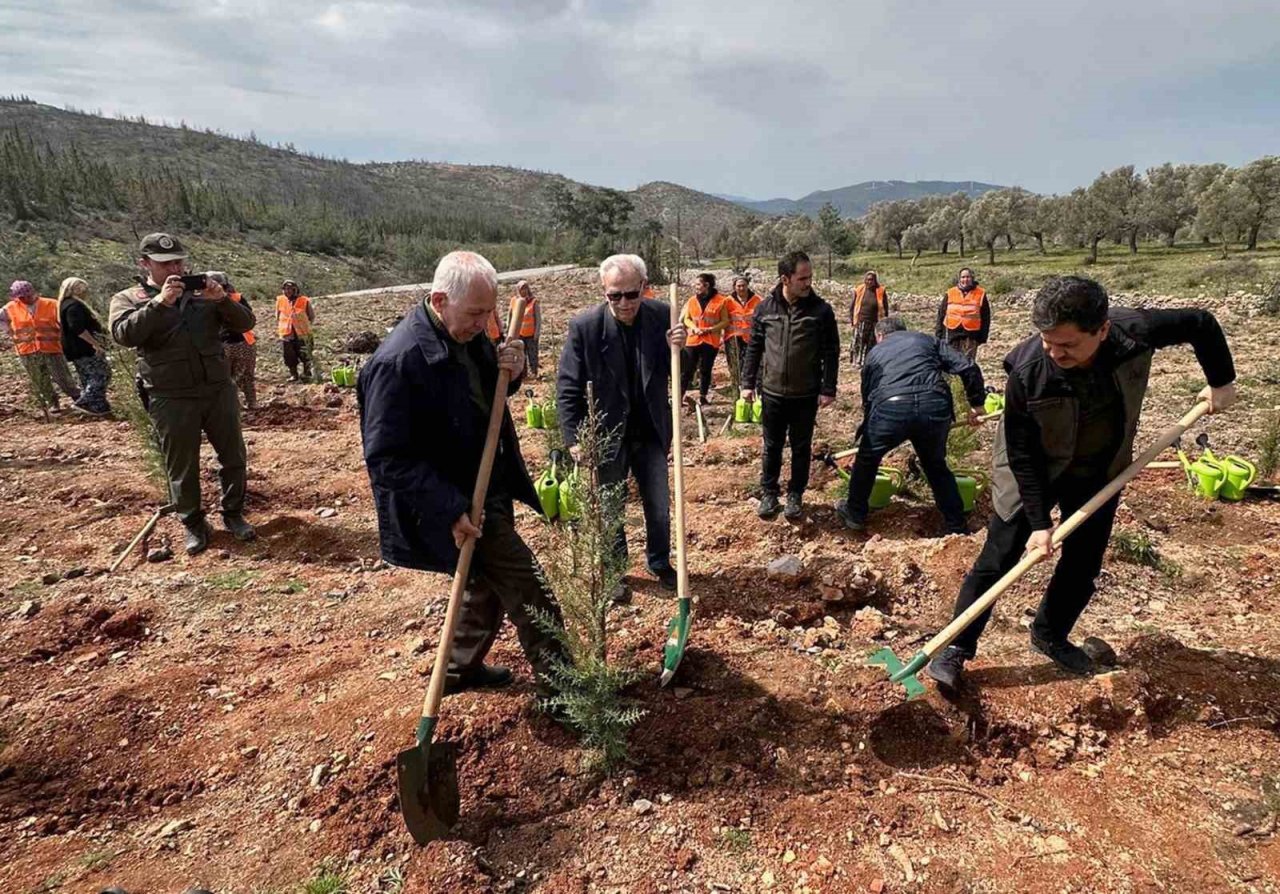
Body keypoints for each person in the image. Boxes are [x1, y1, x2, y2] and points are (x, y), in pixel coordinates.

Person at [926, 276, 1237, 691]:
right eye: (1048, 342)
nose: (1056, 353)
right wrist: (1038, 523)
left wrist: (1221, 381)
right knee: (999, 556)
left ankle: (1050, 634)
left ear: (1102, 329)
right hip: (1031, 465)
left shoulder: (1135, 332)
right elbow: (1021, 452)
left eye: (1068, 345)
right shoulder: (1028, 371)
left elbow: (1200, 322)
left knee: (1084, 560)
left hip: (1100, 466)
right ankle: (955, 647)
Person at [358, 250, 566, 697]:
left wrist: (513, 372)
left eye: (489, 310)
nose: (484, 321)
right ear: (438, 299)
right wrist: (450, 508)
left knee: (483, 584)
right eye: (475, 312)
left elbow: (480, 400)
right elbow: (386, 457)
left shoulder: (463, 333)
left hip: (486, 482)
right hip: (454, 495)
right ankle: (565, 691)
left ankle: (457, 669)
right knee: (530, 589)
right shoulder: (397, 363)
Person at [109, 233, 257, 555]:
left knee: (233, 457)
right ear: (145, 264)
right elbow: (124, 334)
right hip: (170, 396)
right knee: (182, 465)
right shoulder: (129, 297)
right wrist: (159, 304)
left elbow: (246, 323)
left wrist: (221, 300)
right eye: (165, 263)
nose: (175, 267)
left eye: (178, 261)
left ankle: (233, 513)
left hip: (217, 390)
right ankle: (192, 522)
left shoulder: (204, 290)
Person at [557, 254, 687, 596]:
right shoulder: (585, 327)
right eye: (615, 295)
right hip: (606, 436)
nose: (624, 303)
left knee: (658, 505)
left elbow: (679, 373)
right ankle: (615, 571)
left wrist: (681, 349)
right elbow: (568, 387)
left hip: (651, 432)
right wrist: (574, 439)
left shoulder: (662, 316)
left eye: (631, 294)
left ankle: (659, 560)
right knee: (611, 507)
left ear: (644, 288)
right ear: (604, 292)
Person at [836, 316, 984, 535]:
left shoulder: (874, 353)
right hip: (934, 406)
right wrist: (977, 404)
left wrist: (870, 430)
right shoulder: (926, 340)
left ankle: (855, 513)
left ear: (879, 336)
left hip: (891, 408)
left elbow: (868, 397)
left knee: (867, 459)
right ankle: (956, 524)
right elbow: (968, 367)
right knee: (935, 465)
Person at [741, 251, 840, 522]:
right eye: (802, 278)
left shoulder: (821, 311)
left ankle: (795, 495)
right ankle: (769, 493)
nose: (808, 283)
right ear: (785, 279)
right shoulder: (765, 309)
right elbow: (754, 347)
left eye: (810, 277)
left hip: (805, 393)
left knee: (801, 446)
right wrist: (747, 383)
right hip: (771, 392)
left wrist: (828, 388)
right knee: (771, 445)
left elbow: (832, 351)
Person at [2, 280, 81, 412]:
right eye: (21, 297)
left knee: (62, 377)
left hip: (51, 347)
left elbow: (65, 321)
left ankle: (78, 399)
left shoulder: (51, 304)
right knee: (40, 380)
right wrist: (7, 329)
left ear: (32, 291)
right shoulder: (10, 308)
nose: (25, 299)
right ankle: (53, 404)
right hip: (26, 350)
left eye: (27, 295)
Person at [56, 277, 113, 416]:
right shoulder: (74, 306)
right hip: (83, 348)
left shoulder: (65, 304)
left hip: (74, 349)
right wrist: (96, 344)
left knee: (87, 376)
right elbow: (78, 329)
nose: (85, 291)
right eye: (81, 288)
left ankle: (99, 406)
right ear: (74, 289)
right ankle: (85, 401)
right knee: (102, 373)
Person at [680, 273, 730, 405]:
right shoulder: (691, 300)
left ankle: (703, 396)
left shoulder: (721, 300)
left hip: (710, 340)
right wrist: (694, 327)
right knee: (687, 369)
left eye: (698, 284)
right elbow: (687, 318)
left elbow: (725, 321)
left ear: (706, 285)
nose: (695, 286)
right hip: (693, 340)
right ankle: (680, 396)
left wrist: (710, 329)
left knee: (705, 369)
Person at [212, 273, 257, 409]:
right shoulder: (206, 301)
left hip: (243, 342)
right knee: (226, 378)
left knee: (246, 375)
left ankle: (251, 403)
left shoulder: (236, 298)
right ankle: (232, 405)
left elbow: (249, 319)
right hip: (223, 344)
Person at [934, 267, 990, 360]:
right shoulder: (950, 292)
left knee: (968, 362)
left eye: (968, 277)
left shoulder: (980, 293)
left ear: (972, 278)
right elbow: (941, 314)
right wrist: (939, 333)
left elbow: (986, 317)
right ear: (959, 279)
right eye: (963, 277)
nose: (965, 279)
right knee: (951, 360)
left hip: (971, 334)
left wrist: (983, 337)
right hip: (951, 332)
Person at [723, 275, 762, 383]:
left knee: (751, 363)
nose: (741, 288)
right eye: (739, 286)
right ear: (734, 287)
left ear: (747, 285)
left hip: (751, 338)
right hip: (733, 338)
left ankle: (751, 387)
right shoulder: (727, 301)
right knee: (735, 364)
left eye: (743, 285)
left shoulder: (757, 300)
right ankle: (736, 386)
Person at [275, 279, 314, 381]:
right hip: (286, 334)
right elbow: (277, 316)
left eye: (290, 289)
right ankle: (294, 374)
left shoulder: (304, 301)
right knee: (289, 356)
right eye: (285, 289)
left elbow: (311, 316)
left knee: (305, 354)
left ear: (295, 290)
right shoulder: (280, 300)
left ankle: (307, 373)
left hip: (302, 333)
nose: (287, 291)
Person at [849, 271, 889, 367]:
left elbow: (885, 307)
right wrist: (852, 320)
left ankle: (868, 362)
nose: (869, 282)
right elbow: (852, 306)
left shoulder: (880, 291)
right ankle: (857, 362)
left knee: (871, 344)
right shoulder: (859, 290)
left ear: (875, 281)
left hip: (874, 322)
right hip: (860, 321)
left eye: (871, 280)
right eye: (867, 280)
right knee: (858, 343)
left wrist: (884, 322)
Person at [510, 280, 542, 376]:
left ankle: (534, 372)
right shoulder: (514, 301)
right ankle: (523, 374)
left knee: (533, 354)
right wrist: (510, 330)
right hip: (519, 333)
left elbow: (538, 318)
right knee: (521, 354)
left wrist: (537, 332)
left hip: (531, 334)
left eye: (525, 288)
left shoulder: (533, 302)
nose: (524, 291)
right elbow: (510, 315)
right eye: (522, 289)